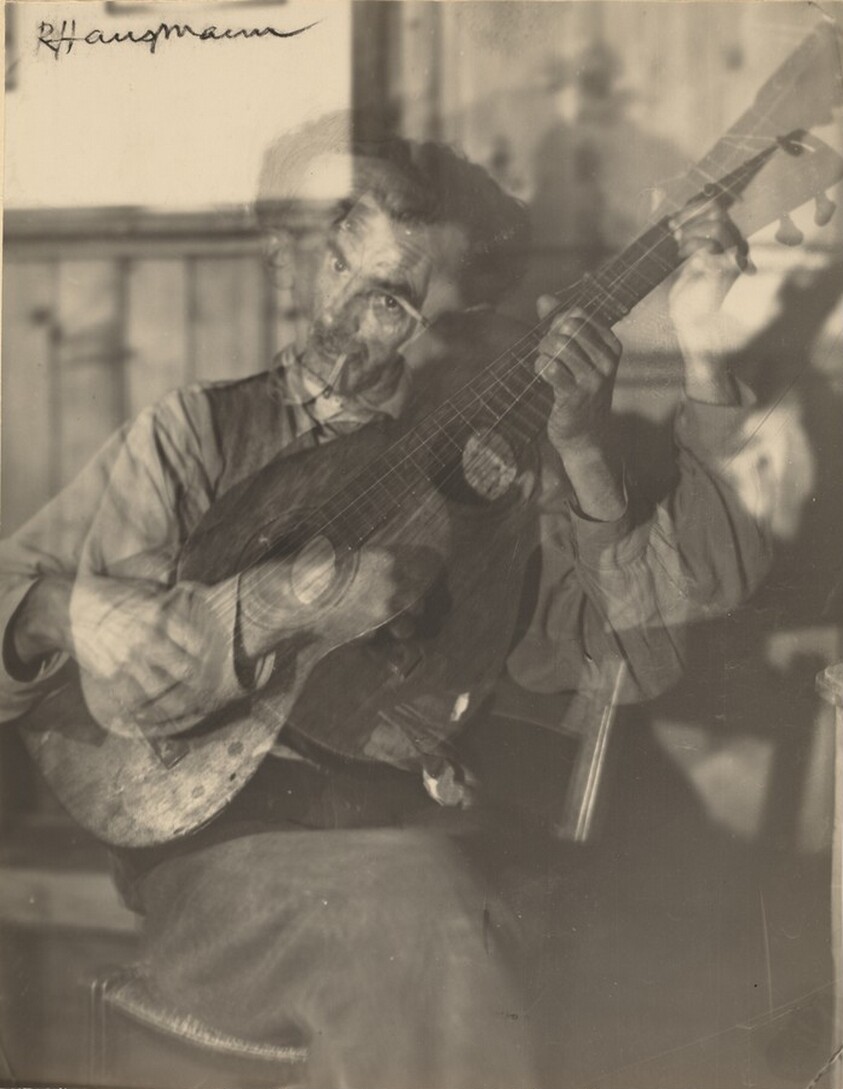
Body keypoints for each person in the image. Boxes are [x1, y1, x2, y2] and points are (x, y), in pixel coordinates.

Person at [0, 129, 770, 1088]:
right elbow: (20, 608)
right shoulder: (195, 434)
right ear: (292, 259)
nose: (360, 298)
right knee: (424, 911)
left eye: (403, 285)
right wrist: (69, 606)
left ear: (450, 302)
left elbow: (649, 645)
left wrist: (668, 373)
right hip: (221, 861)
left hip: (424, 835)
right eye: (338, 251)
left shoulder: (492, 467)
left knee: (534, 919)